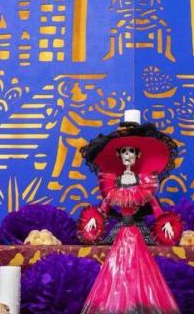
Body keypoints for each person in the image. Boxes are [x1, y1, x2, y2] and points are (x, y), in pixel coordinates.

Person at [77, 109, 183, 314]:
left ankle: (138, 304)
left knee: (141, 271)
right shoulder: (113, 181)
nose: (127, 155)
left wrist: (165, 221)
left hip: (138, 230)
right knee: (116, 269)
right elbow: (105, 205)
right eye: (124, 151)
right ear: (119, 155)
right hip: (121, 232)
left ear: (137, 155)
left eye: (131, 151)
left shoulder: (144, 181)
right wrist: (94, 219)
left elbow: (154, 205)